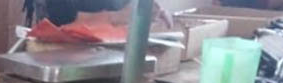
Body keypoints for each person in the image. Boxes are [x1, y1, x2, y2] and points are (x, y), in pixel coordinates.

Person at [25, 0, 172, 27]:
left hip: (103, 54)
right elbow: (60, 21)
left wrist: (151, 10)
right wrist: (118, 17)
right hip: (58, 53)